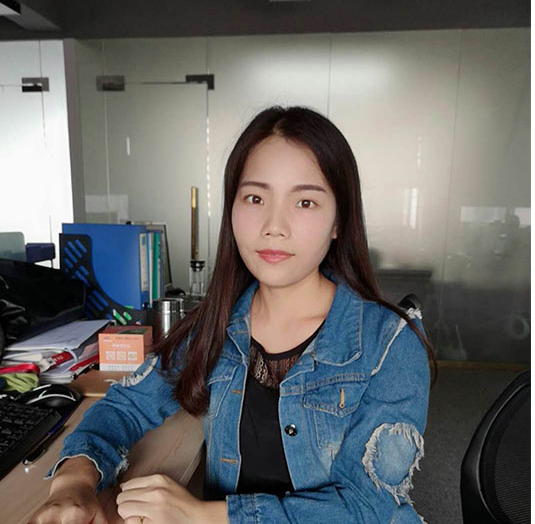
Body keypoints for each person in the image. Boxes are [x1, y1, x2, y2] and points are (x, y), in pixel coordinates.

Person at [28, 106, 437, 524]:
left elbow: (366, 507)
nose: (274, 226)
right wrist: (74, 482)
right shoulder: (217, 326)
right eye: (255, 198)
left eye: (305, 202)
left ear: (338, 222)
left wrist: (201, 515)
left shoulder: (390, 344)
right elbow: (126, 405)